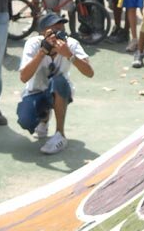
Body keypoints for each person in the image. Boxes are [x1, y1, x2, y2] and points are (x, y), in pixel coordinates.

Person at [17, 12, 94, 154]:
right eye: (54, 31)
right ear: (42, 33)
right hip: (35, 91)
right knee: (25, 120)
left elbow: (90, 72)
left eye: (61, 30)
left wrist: (70, 55)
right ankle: (44, 118)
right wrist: (42, 52)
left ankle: (60, 135)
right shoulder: (33, 44)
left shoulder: (70, 44)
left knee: (59, 80)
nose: (58, 35)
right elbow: (23, 77)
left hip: (61, 90)